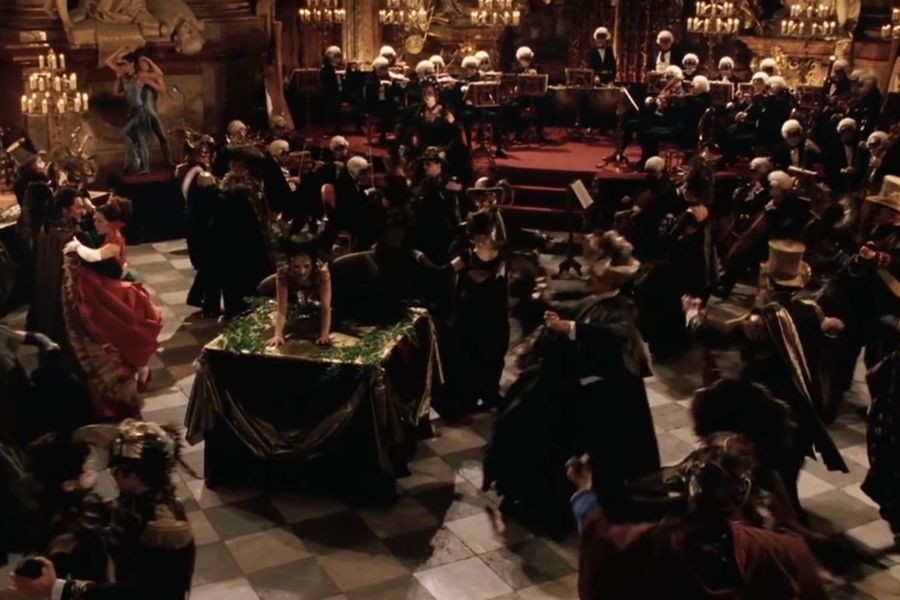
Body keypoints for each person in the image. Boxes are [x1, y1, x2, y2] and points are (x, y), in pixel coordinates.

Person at [484, 231, 659, 536]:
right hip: (576, 384)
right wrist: (543, 306)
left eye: (595, 276)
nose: (588, 277)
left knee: (534, 421)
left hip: (600, 398)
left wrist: (571, 328)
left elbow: (614, 336)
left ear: (609, 281)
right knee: (519, 406)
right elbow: (571, 309)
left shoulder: (621, 310)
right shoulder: (595, 300)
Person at [569, 441, 829, 599]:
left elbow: (600, 552)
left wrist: (584, 492)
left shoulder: (648, 546)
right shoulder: (783, 551)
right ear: (742, 495)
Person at [10, 419, 196, 600]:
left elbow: (139, 593)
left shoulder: (164, 528)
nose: (112, 472)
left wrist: (60, 589)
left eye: (118, 466)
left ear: (134, 475)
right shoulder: (136, 499)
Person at [60, 198, 162, 419]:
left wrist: (77, 247)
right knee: (118, 334)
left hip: (114, 291)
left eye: (99, 221)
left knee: (122, 330)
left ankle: (137, 372)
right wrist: (90, 208)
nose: (94, 223)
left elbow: (95, 255)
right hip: (112, 287)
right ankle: (136, 369)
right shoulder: (109, 234)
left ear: (111, 223)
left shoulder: (114, 240)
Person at [258, 238, 333, 347]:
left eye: (306, 266)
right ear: (290, 264)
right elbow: (281, 310)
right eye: (296, 267)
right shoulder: (284, 273)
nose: (302, 272)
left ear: (313, 264)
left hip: (321, 287)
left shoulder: (321, 272)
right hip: (292, 287)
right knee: (264, 288)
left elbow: (325, 307)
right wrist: (278, 335)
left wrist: (324, 334)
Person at [104, 45, 164, 175]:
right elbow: (108, 62)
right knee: (131, 140)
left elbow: (159, 74)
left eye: (125, 64)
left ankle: (142, 165)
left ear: (132, 64)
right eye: (121, 65)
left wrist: (149, 61)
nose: (122, 67)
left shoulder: (140, 76)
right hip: (131, 112)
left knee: (129, 136)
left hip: (140, 112)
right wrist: (120, 50)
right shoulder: (124, 76)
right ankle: (128, 166)